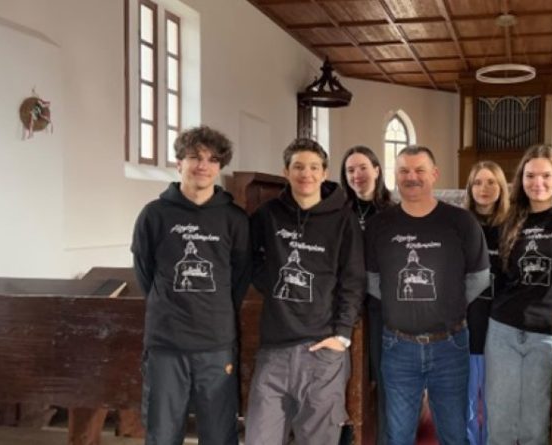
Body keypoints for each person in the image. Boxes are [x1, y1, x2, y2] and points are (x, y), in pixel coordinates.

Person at [131, 125, 251, 445]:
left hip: (216, 342)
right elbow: (144, 271)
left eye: (212, 159)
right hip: (166, 343)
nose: (203, 165)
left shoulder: (234, 219)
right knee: (162, 433)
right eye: (195, 157)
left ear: (219, 167)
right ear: (179, 163)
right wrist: (169, 303)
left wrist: (213, 308)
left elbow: (239, 277)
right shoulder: (154, 215)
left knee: (219, 435)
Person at [365, 145, 490, 445]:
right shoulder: (379, 224)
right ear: (395, 176)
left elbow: (480, 277)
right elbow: (371, 279)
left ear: (434, 174)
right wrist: (399, 302)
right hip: (398, 346)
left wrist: (448, 302)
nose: (412, 177)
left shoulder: (461, 221)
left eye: (420, 170)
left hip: (450, 344)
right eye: (404, 171)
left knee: (453, 434)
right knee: (397, 436)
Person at [246, 138, 365, 445]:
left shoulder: (343, 219)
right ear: (286, 172)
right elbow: (247, 256)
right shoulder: (268, 214)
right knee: (260, 438)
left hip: (322, 348)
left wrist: (341, 336)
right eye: (298, 167)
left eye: (313, 167)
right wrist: (271, 282)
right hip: (275, 349)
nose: (306, 174)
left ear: (324, 173)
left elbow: (353, 280)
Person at [485, 145, 552, 445]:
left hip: (546, 332)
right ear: (521, 180)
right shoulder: (509, 220)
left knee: (535, 428)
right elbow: (499, 274)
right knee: (500, 422)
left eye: (546, 175)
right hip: (504, 328)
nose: (538, 183)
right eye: (530, 175)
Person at [340, 145, 394, 445]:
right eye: (350, 170)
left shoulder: (392, 212)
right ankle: (347, 435)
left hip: (380, 304)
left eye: (363, 168)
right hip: (346, 303)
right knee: (346, 375)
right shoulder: (338, 211)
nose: (357, 175)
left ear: (376, 170)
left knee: (383, 375)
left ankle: (384, 436)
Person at [462, 161, 510, 445]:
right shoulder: (460, 224)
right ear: (470, 188)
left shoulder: (512, 226)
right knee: (466, 398)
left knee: (496, 399)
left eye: (491, 182)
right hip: (467, 319)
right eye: (478, 182)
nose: (484, 188)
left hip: (500, 322)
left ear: (501, 187)